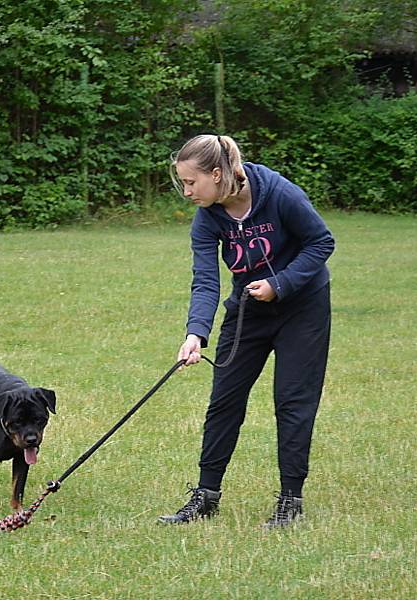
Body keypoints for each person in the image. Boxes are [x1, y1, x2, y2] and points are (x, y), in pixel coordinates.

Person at [158, 134, 334, 529]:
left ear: (217, 174)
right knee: (224, 400)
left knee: (292, 401)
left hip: (302, 309)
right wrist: (195, 335)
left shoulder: (279, 193)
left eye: (191, 182)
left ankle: (291, 500)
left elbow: (321, 242)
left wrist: (281, 284)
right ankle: (206, 495)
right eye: (182, 183)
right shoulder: (207, 218)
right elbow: (205, 281)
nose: (186, 191)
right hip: (249, 311)